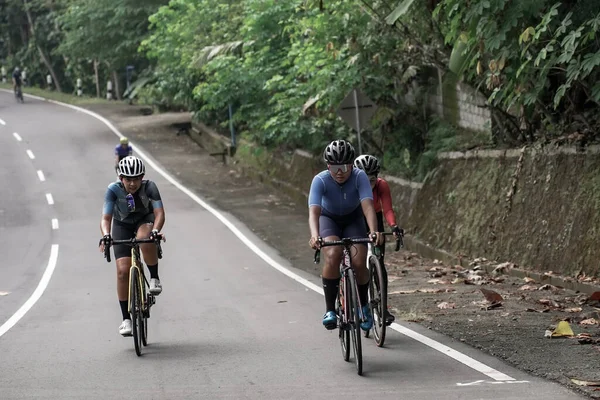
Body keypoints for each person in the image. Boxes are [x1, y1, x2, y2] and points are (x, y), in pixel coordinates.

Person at [308, 139, 383, 331]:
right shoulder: (320, 180)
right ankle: (329, 309)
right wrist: (315, 236)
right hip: (329, 219)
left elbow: (367, 207)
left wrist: (374, 231)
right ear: (328, 166)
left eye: (344, 166)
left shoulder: (360, 177)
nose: (339, 172)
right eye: (334, 167)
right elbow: (314, 212)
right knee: (333, 254)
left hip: (353, 219)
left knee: (359, 262)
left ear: (351, 164)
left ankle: (364, 305)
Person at [98, 156, 166, 336]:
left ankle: (154, 277)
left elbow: (159, 213)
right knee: (122, 270)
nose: (133, 183)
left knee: (145, 237)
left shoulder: (149, 187)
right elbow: (106, 218)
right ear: (121, 178)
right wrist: (106, 235)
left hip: (144, 221)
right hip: (122, 225)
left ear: (142, 177)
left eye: (136, 178)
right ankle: (126, 319)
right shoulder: (113, 190)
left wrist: (156, 230)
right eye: (128, 179)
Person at [354, 154, 403, 325]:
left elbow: (387, 209)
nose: (369, 184)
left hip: (376, 217)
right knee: (354, 257)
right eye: (364, 180)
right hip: (356, 218)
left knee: (379, 263)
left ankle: (383, 308)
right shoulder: (351, 185)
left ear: (377, 176)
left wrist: (394, 226)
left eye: (372, 180)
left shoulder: (382, 185)